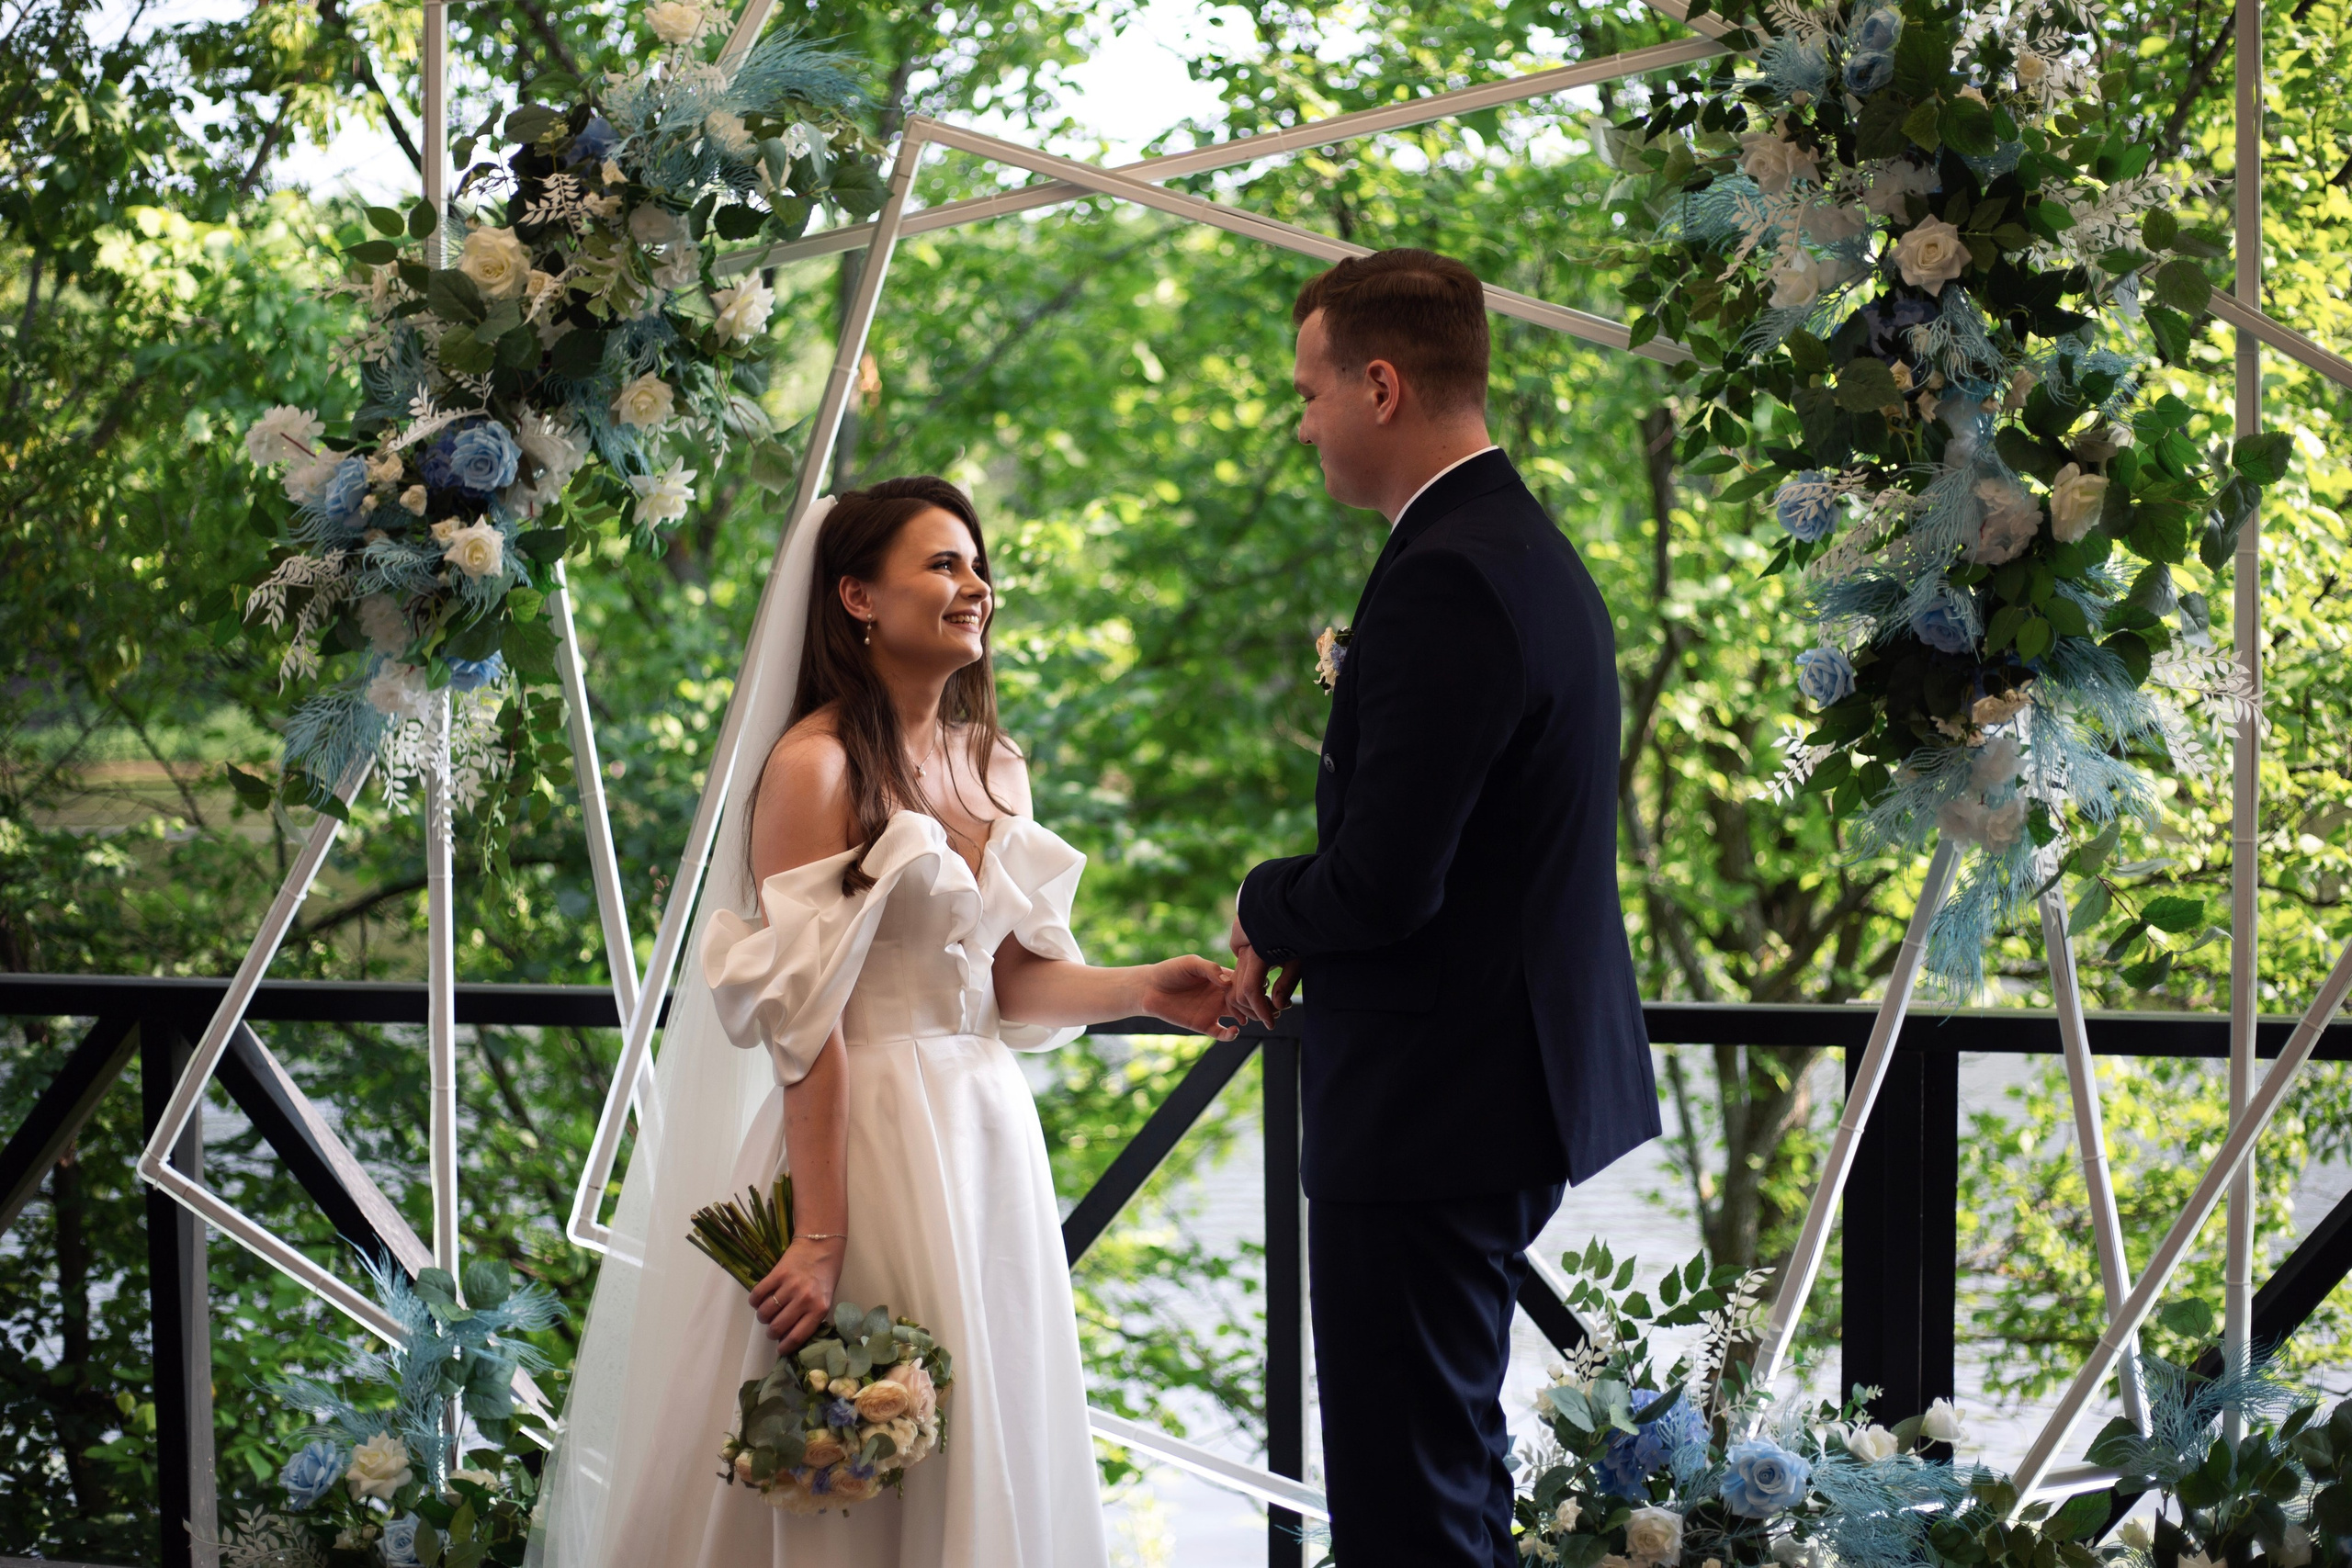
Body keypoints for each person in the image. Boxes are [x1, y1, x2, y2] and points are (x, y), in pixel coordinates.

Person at [531, 478, 1237, 1568]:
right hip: (863, 1145)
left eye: (975, 564)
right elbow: (805, 1028)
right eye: (942, 565)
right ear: (857, 596)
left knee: (981, 1441)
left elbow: (1005, 986)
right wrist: (820, 1239)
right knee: (852, 1454)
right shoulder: (814, 768)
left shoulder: (991, 766)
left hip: (985, 1138)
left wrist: (1144, 989)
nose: (975, 587)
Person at [1224, 249, 1658, 1566]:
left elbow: (1384, 879)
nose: (1300, 422)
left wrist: (1261, 902)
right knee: (1448, 1478)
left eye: (1306, 393)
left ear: (1379, 382)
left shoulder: (1450, 575)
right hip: (1485, 1089)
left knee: (1410, 1509)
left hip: (1433, 1106)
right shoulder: (1512, 548)